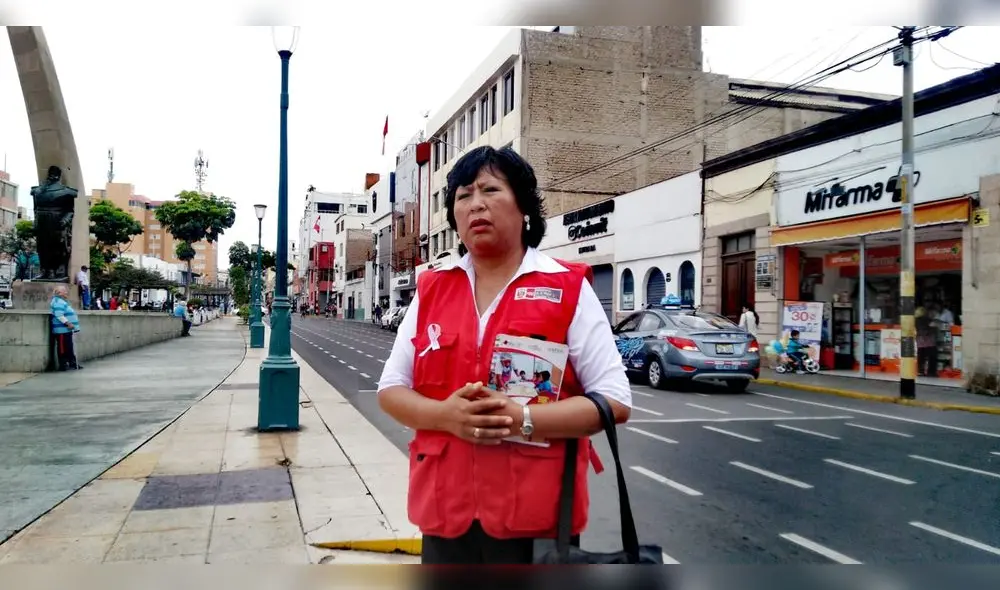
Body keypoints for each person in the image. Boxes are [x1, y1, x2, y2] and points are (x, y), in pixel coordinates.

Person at [377, 145, 632, 565]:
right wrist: (445, 416)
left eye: (490, 190)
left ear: (524, 207)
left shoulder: (566, 287)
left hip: (538, 520)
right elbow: (391, 388)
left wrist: (522, 419)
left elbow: (615, 401)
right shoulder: (433, 289)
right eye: (463, 196)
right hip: (445, 512)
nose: (475, 204)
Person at [50, 285, 82, 370]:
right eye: (64, 291)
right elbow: (59, 315)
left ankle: (71, 362)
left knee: (68, 346)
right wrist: (68, 323)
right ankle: (63, 364)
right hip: (61, 330)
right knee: (63, 347)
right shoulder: (58, 302)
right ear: (59, 293)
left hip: (65, 330)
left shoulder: (61, 301)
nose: (66, 292)